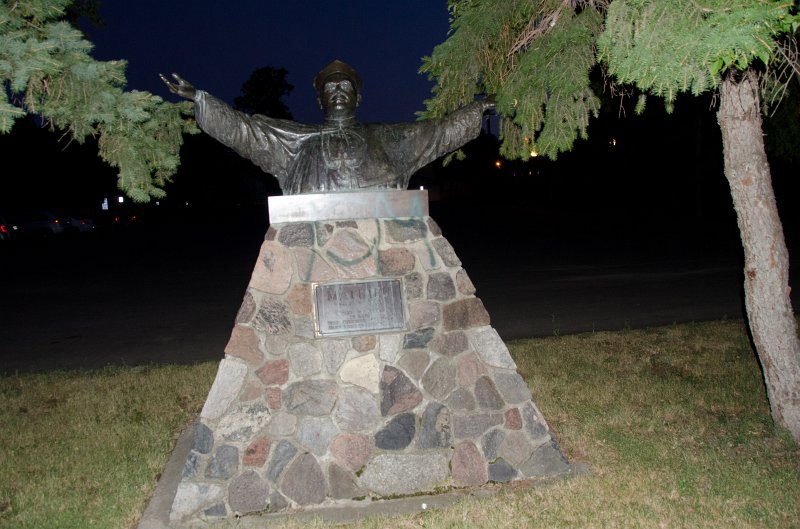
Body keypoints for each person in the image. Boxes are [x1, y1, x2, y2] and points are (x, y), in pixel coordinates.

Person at [161, 60, 493, 195]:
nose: (337, 92)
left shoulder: (390, 138)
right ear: (320, 100)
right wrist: (200, 98)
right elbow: (245, 131)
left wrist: (477, 108)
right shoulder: (295, 144)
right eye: (330, 89)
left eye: (344, 87)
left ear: (358, 97)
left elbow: (439, 132)